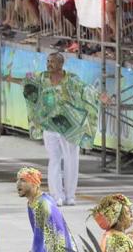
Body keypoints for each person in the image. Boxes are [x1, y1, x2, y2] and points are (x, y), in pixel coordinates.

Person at [23, 51, 109, 207]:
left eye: (52, 62)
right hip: (50, 125)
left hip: (70, 127)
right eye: (48, 61)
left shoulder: (71, 79)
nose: (49, 64)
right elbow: (28, 85)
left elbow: (86, 90)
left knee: (71, 160)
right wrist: (13, 80)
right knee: (54, 159)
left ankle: (70, 195)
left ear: (61, 64)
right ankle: (57, 196)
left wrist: (99, 96)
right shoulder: (41, 78)